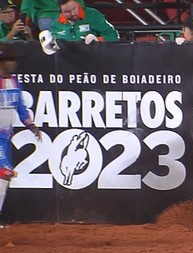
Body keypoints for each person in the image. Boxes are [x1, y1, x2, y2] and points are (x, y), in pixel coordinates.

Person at [0, 44, 41, 228]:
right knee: (4, 173)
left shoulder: (15, 82)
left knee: (4, 176)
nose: (14, 64)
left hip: (6, 136)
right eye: (11, 61)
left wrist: (30, 124)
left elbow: (20, 107)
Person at [49, 0, 118, 43]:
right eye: (67, 12)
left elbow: (114, 36)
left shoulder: (93, 15)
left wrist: (97, 40)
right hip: (67, 62)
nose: (73, 13)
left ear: (77, 4)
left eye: (74, 8)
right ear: (61, 12)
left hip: (93, 59)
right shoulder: (57, 22)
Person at [20, 0, 85, 31]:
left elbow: (80, 5)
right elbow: (26, 4)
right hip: (45, 14)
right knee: (48, 29)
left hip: (67, 12)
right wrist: (25, 16)